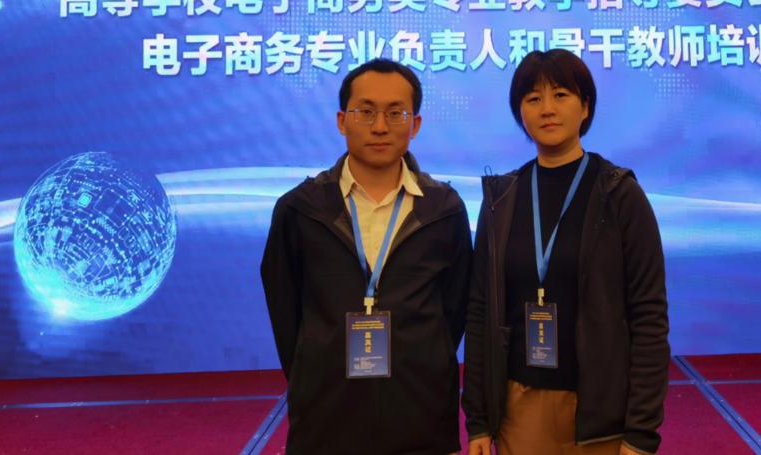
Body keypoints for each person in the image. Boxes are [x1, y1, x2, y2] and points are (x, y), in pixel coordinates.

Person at [463, 49, 669, 455]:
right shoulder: (501, 199)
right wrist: (479, 421)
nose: (547, 109)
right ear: (520, 112)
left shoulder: (619, 194)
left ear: (585, 106)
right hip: (520, 407)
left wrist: (641, 431)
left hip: (601, 412)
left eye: (560, 95)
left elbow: (649, 315)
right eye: (533, 98)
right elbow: (480, 312)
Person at [260, 59, 472, 455]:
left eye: (395, 113)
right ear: (342, 121)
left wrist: (422, 358)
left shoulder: (443, 210)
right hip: (325, 422)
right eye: (366, 112)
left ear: (415, 124)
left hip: (421, 418)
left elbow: (454, 310)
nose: (379, 127)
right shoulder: (300, 209)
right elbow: (285, 313)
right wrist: (316, 370)